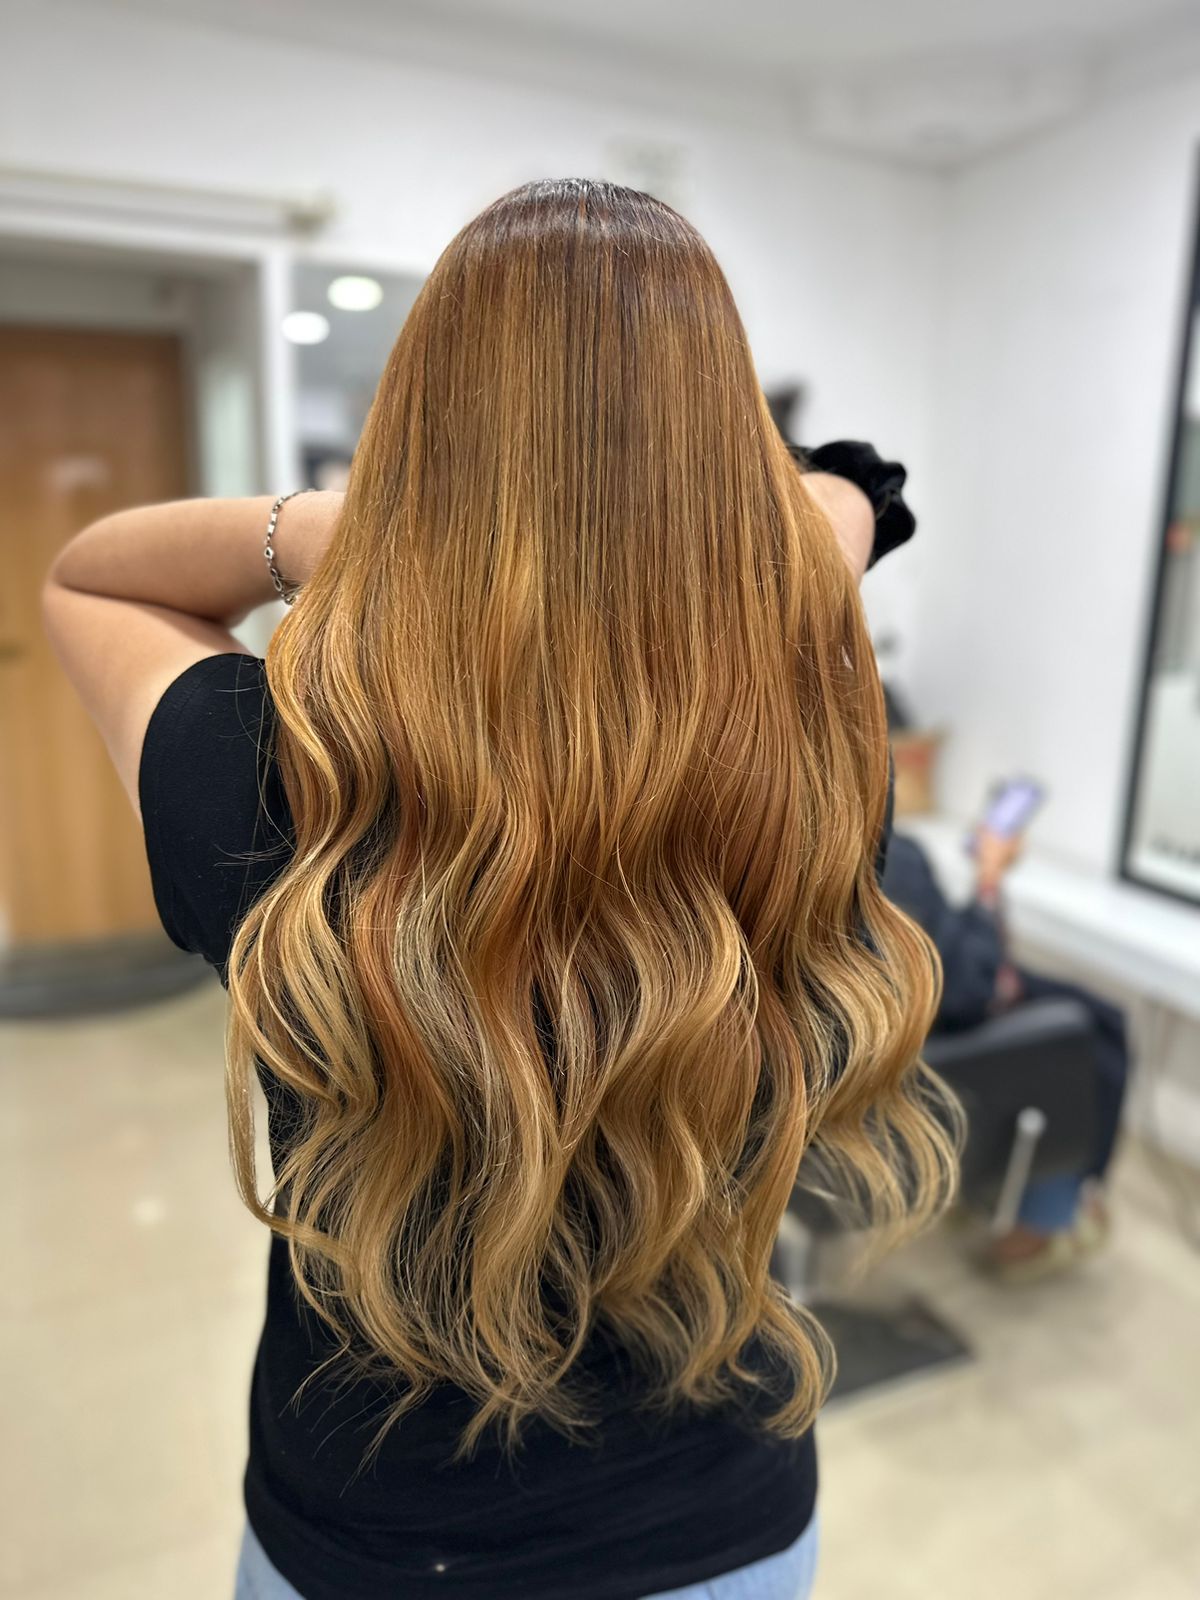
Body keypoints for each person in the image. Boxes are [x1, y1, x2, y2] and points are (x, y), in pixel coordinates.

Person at [43, 179, 958, 1600]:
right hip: (727, 1524)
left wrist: (347, 536)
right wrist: (738, 546)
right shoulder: (806, 777)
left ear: (414, 435)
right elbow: (862, 489)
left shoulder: (273, 778)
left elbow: (93, 579)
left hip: (372, 1539)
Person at [881, 826, 1129, 1278]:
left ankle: (1003, 1193)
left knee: (1086, 1011)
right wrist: (990, 877)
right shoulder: (887, 851)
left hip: (868, 1029)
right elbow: (971, 990)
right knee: (1090, 1035)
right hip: (931, 1031)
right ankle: (1039, 1223)